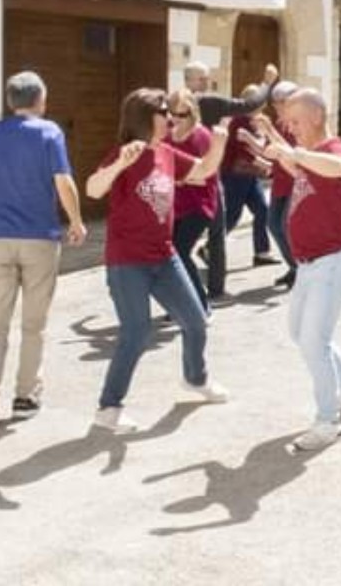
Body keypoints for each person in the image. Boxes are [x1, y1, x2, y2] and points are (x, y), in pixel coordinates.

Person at [86, 88, 231, 433]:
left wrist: (220, 140)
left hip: (165, 257)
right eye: (163, 112)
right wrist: (119, 164)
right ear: (144, 117)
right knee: (136, 333)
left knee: (196, 322)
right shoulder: (125, 154)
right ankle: (108, 408)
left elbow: (204, 171)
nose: (170, 118)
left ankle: (196, 379)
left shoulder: (167, 154)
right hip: (127, 262)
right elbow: (93, 189)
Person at [0, 71, 87, 429]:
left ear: (11, 102)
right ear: (40, 100)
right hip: (40, 239)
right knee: (33, 324)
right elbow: (63, 181)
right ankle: (25, 396)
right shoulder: (49, 132)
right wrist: (75, 220)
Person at [264, 88, 341, 451]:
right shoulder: (309, 154)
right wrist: (275, 143)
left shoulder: (333, 148)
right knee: (301, 332)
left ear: (315, 117)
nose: (291, 127)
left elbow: (339, 167)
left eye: (295, 121)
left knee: (314, 340)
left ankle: (328, 421)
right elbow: (295, 163)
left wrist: (291, 151)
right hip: (309, 264)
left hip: (334, 260)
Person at [184, 60, 278, 300]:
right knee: (213, 233)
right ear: (190, 81)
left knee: (204, 234)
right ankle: (207, 291)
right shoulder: (208, 103)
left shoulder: (173, 103)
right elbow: (250, 104)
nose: (207, 83)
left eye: (207, 78)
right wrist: (267, 82)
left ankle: (206, 289)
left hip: (189, 177)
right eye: (202, 79)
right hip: (204, 177)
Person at [166, 89, 219, 313]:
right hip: (174, 206)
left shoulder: (202, 137)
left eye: (182, 114)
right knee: (169, 255)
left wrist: (180, 179)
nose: (176, 119)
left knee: (180, 250)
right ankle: (181, 303)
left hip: (200, 204)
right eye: (172, 114)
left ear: (193, 112)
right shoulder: (167, 136)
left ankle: (200, 303)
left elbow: (207, 176)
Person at [250, 81, 301, 288]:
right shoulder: (279, 123)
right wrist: (251, 142)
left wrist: (270, 130)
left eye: (281, 102)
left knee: (285, 226)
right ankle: (294, 266)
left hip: (295, 181)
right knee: (273, 225)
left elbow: (292, 152)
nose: (277, 106)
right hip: (280, 182)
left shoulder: (298, 123)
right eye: (275, 102)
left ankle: (300, 268)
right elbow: (271, 152)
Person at [221, 84, 276, 271]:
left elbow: (262, 144)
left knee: (262, 209)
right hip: (234, 176)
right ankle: (210, 248)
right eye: (257, 102)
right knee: (232, 216)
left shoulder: (254, 121)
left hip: (249, 176)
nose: (262, 106)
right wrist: (267, 166)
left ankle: (261, 253)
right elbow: (244, 153)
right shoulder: (238, 121)